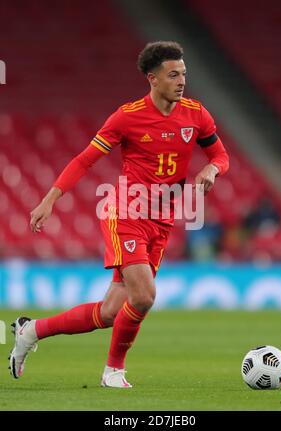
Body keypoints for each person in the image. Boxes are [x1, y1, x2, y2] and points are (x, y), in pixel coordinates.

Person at [9, 41, 229, 388]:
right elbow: (85, 159)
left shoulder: (196, 114)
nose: (181, 80)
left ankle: (31, 330)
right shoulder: (127, 116)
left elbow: (220, 155)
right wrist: (51, 199)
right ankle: (113, 371)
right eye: (173, 75)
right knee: (144, 296)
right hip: (126, 212)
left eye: (184, 73)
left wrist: (212, 171)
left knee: (112, 311)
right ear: (152, 79)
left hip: (162, 218)